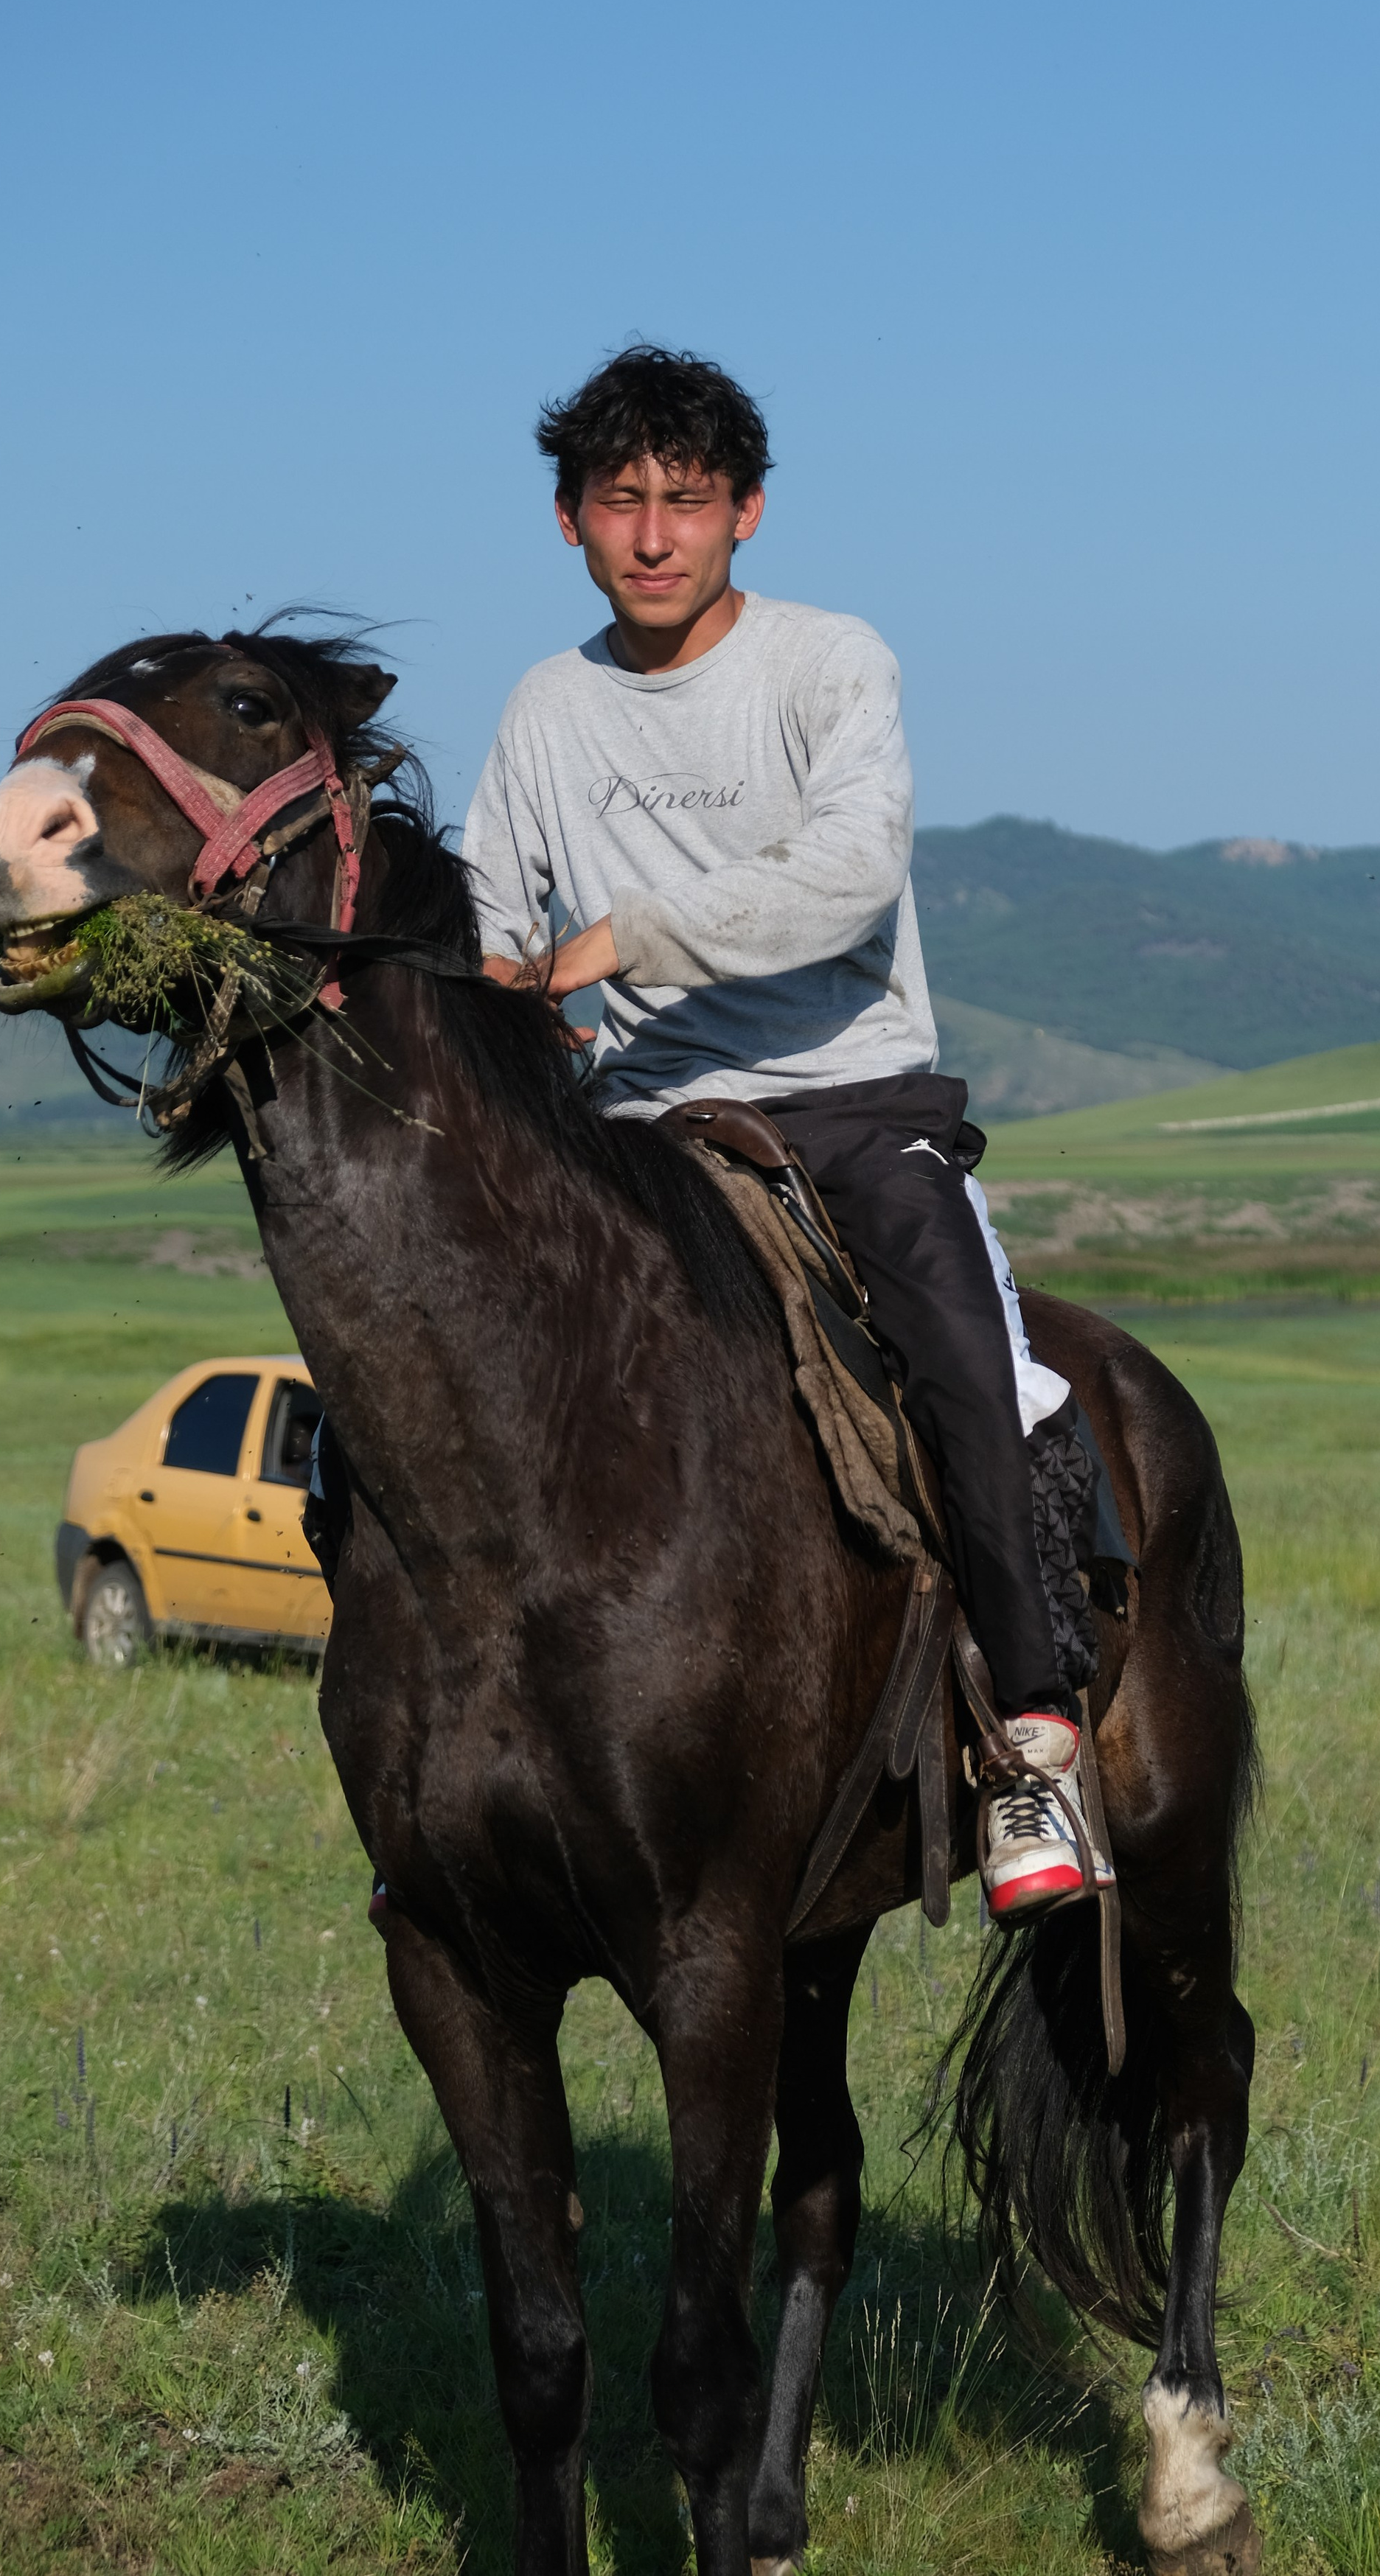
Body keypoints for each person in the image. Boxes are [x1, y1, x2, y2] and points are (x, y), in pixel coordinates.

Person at [462, 345, 1111, 1921]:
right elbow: (492, 920)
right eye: (620, 502)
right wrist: (489, 989)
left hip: (848, 1098)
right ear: (567, 523)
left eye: (687, 501)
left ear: (747, 512)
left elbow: (844, 879)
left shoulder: (829, 664)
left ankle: (1031, 1744)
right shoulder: (546, 709)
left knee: (965, 1357)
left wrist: (613, 941)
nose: (655, 534)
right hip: (643, 1125)